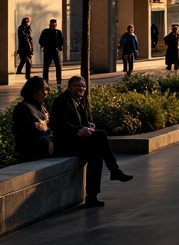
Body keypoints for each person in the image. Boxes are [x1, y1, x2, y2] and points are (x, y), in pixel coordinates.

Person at [51, 76, 133, 208]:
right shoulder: (62, 101)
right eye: (77, 86)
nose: (81, 88)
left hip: (79, 141)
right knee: (101, 136)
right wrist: (78, 130)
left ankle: (92, 197)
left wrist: (89, 126)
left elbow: (86, 121)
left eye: (83, 86)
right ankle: (114, 170)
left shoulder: (83, 100)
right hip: (65, 143)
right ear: (69, 87)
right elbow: (56, 124)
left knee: (97, 152)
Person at [12, 76, 54, 162]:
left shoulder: (41, 107)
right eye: (43, 89)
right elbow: (31, 130)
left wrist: (42, 125)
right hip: (32, 148)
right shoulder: (22, 107)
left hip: (47, 143)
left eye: (47, 89)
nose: (46, 92)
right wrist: (43, 126)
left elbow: (47, 127)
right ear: (34, 91)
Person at [38, 18, 64, 84]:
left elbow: (61, 41)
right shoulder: (45, 31)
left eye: (54, 24)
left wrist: (59, 48)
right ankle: (45, 79)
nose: (53, 25)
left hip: (55, 51)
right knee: (46, 66)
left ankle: (58, 80)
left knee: (58, 66)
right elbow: (41, 40)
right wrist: (45, 46)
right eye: (52, 24)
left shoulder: (58, 32)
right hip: (48, 51)